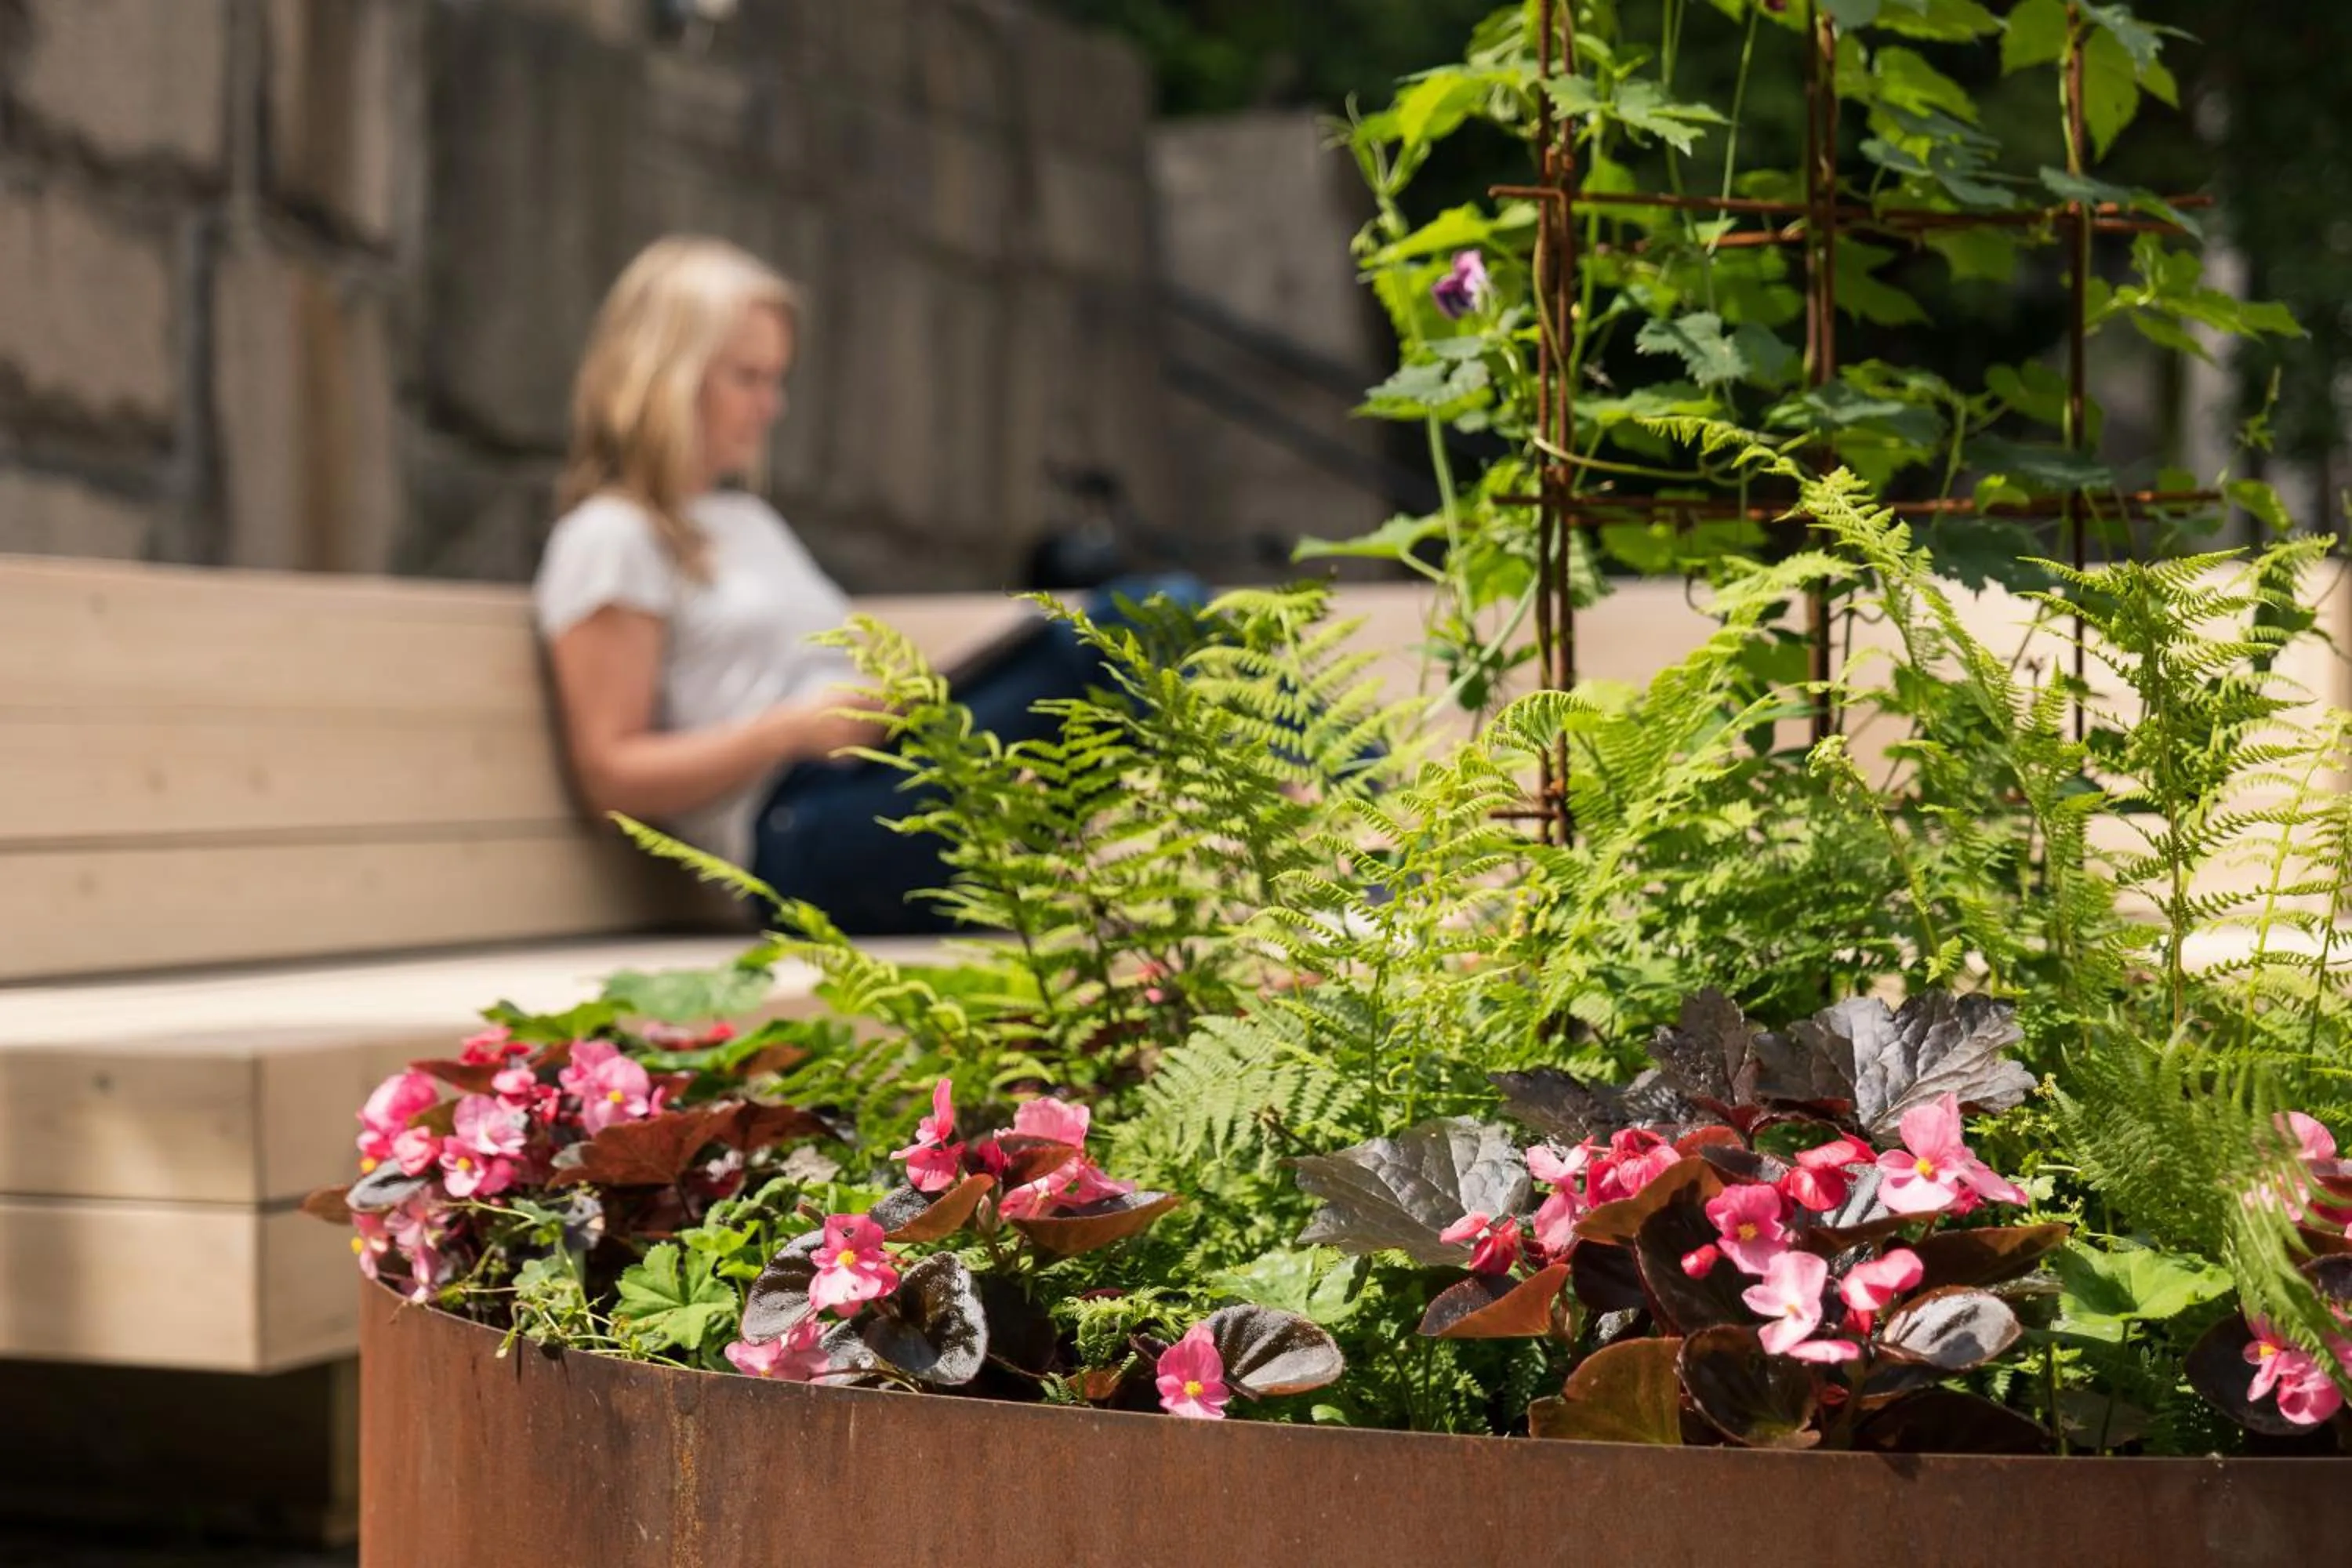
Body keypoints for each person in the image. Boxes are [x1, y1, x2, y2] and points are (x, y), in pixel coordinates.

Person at [532, 236, 1200, 935]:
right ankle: (1318, 876)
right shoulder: (611, 537)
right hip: (797, 833)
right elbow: (610, 775)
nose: (773, 406)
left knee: (1167, 616)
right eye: (748, 378)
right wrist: (785, 732)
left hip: (874, 775)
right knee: (1135, 628)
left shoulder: (746, 521)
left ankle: (1312, 859)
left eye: (776, 378)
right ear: (666, 376)